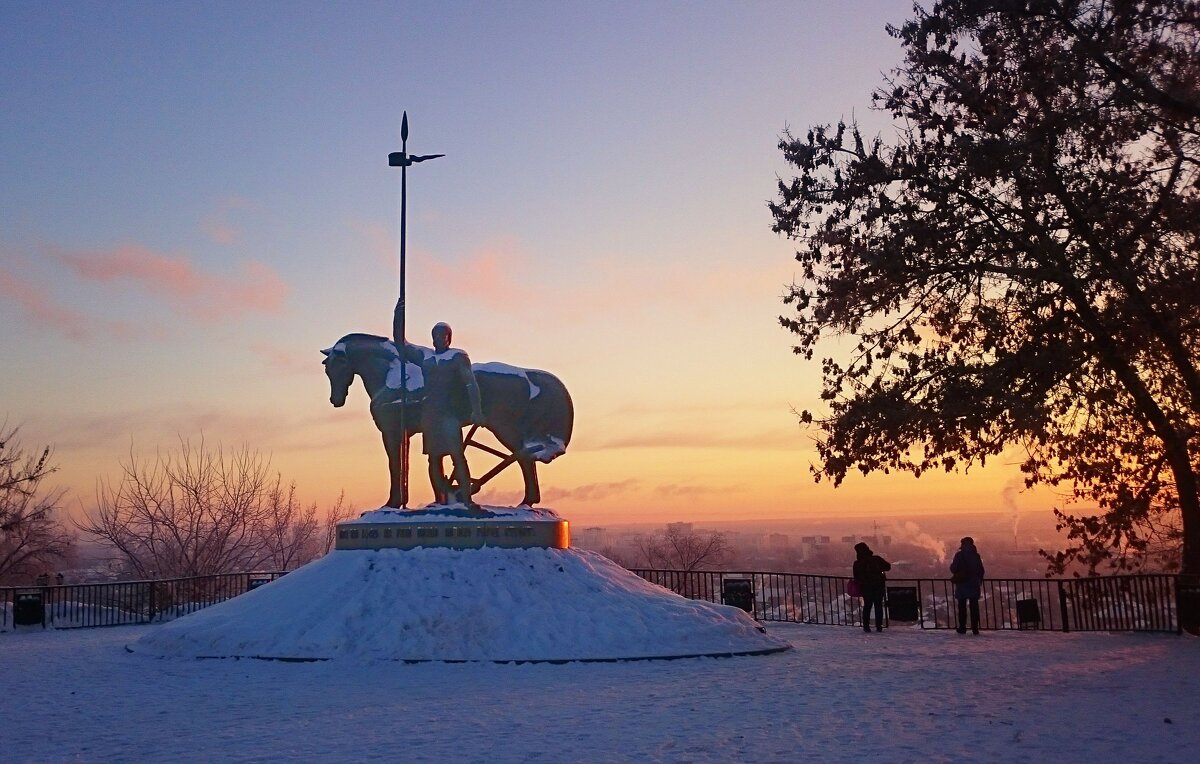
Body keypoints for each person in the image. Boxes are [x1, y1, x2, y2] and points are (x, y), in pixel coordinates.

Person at [401, 322, 485, 509]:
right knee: (433, 458)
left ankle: (467, 501)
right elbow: (402, 344)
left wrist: (477, 410)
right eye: (435, 335)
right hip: (430, 415)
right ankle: (440, 500)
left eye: (442, 335)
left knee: (457, 455)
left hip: (449, 414)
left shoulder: (457, 357)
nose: (439, 339)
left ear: (449, 337)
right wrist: (398, 314)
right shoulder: (425, 357)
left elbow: (470, 384)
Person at [852, 542, 891, 632]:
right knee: (878, 606)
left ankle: (866, 626)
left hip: (866, 587)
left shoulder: (857, 563)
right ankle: (879, 626)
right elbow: (888, 567)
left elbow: (856, 577)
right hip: (878, 585)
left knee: (867, 606)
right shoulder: (876, 559)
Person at [949, 536, 985, 634]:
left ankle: (962, 627)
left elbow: (953, 569)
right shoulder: (976, 556)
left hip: (962, 583)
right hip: (973, 584)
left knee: (962, 607)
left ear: (963, 544)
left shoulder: (959, 555)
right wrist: (978, 580)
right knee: (974, 607)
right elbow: (981, 570)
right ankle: (975, 628)